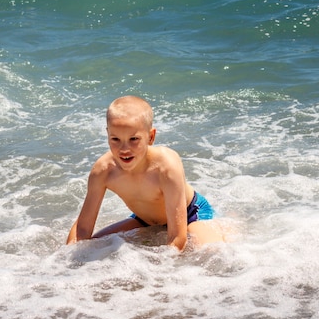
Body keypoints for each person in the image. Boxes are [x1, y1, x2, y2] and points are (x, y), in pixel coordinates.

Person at [66, 96, 224, 252]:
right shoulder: (103, 170)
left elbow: (177, 237)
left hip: (192, 213)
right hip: (144, 220)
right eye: (115, 139)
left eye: (133, 139)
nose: (124, 149)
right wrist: (65, 262)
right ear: (108, 134)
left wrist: (156, 272)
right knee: (96, 246)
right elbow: (83, 230)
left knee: (207, 251)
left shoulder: (166, 166)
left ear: (151, 136)